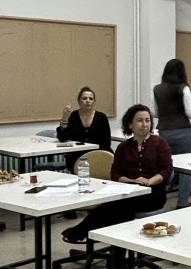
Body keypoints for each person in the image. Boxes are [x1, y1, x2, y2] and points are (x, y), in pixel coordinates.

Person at [61, 104, 172, 244]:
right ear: (130, 125)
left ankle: (82, 231)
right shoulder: (123, 147)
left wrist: (149, 181)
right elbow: (115, 173)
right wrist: (131, 181)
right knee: (121, 209)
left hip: (153, 192)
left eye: (147, 120)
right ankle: (114, 251)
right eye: (139, 120)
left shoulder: (160, 143)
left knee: (117, 205)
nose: (144, 124)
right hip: (128, 190)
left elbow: (166, 170)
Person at [154, 58, 191, 208]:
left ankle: (159, 199)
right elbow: (189, 112)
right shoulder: (184, 88)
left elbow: (155, 112)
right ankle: (182, 202)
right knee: (186, 168)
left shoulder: (157, 89)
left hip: (164, 131)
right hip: (182, 131)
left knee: (165, 166)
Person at [56, 85, 113, 168]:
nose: (88, 101)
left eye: (91, 99)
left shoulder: (101, 117)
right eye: (84, 98)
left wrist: (97, 156)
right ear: (79, 101)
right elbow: (62, 138)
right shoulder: (73, 115)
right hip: (77, 155)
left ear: (94, 102)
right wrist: (65, 118)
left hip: (98, 154)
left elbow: (106, 142)